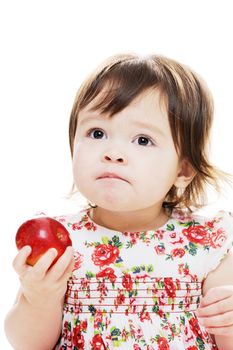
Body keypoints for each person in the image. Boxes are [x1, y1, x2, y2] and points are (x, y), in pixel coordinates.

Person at [4, 53, 233, 350]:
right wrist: (38, 297)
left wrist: (228, 319)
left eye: (142, 140)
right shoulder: (62, 241)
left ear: (183, 169)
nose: (113, 152)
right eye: (97, 133)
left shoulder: (206, 242)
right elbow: (28, 344)